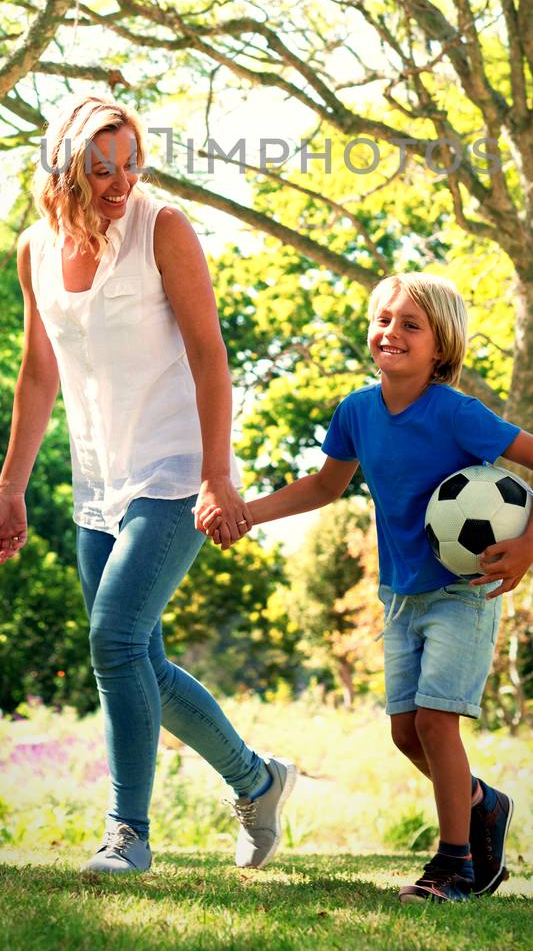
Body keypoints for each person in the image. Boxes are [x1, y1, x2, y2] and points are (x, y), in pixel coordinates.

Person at [0, 95, 296, 875]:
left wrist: (216, 475)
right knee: (139, 662)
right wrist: (11, 485)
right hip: (99, 479)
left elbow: (209, 357)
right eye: (102, 168)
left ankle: (127, 835)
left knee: (115, 639)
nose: (120, 182)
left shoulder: (162, 228)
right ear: (64, 168)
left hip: (172, 473)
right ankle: (258, 782)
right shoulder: (34, 248)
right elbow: (37, 375)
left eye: (131, 162)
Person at [199, 272, 533, 905]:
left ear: (442, 346)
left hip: (464, 593)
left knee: (437, 724)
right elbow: (325, 487)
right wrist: (247, 513)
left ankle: (456, 864)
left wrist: (528, 545)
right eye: (384, 320)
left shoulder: (457, 412)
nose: (392, 333)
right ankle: (483, 806)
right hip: (401, 594)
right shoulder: (356, 410)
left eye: (411, 325)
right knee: (407, 733)